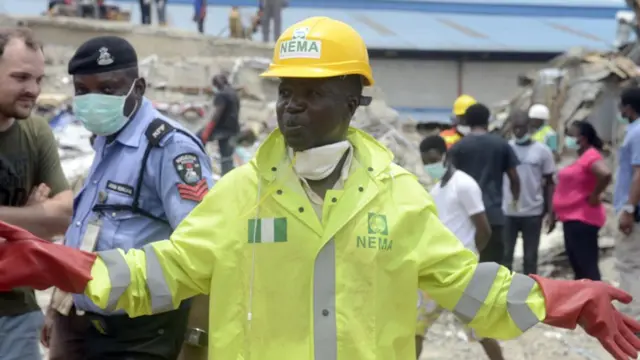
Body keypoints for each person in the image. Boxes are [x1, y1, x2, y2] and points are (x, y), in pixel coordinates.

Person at [1, 17, 640, 360]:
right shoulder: (238, 194)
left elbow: (468, 287)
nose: (292, 109)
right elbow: (161, 272)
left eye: (313, 94)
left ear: (355, 100)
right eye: (286, 93)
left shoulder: (398, 196)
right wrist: (65, 265)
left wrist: (558, 298)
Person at [41, 35, 214, 360]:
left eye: (108, 89)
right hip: (79, 325)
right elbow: (86, 232)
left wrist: (195, 341)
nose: (94, 100)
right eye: (83, 90)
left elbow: (201, 251)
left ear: (138, 87)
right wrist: (57, 307)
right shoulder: (107, 140)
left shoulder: (169, 149)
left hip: (139, 335)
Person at [0, 27, 73, 360]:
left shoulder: (37, 132)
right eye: (21, 78)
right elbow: (47, 220)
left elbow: (65, 215)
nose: (34, 90)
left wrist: (10, 230)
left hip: (18, 312)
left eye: (39, 79)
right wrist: (30, 222)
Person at [417, 135, 502, 360]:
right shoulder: (436, 191)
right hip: (436, 270)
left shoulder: (464, 185)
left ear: (445, 156)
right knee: (414, 328)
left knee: (482, 330)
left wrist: (470, 256)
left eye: (433, 160)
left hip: (461, 273)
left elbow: (483, 229)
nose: (430, 166)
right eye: (425, 162)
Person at [449, 103, 520, 265]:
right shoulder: (501, 144)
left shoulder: (458, 147)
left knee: (468, 266)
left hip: (467, 217)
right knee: (495, 268)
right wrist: (515, 201)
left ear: (466, 121)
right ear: (488, 120)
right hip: (494, 215)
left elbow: (449, 180)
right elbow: (514, 178)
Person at [553, 121, 610, 281]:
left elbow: (605, 175)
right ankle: (585, 302)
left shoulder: (590, 155)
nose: (568, 139)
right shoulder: (579, 157)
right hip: (571, 218)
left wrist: (595, 195)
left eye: (571, 135)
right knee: (579, 267)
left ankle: (598, 302)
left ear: (583, 139)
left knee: (587, 267)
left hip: (582, 218)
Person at [502, 111, 556, 275]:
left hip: (533, 212)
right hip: (508, 212)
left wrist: (551, 212)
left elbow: (550, 182)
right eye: (515, 128)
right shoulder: (505, 149)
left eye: (521, 128)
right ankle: (503, 295)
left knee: (530, 258)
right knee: (505, 258)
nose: (518, 132)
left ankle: (529, 294)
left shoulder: (543, 151)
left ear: (529, 127)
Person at [613, 87, 640, 320]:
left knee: (629, 265)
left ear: (628, 108)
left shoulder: (637, 132)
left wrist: (629, 209)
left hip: (634, 209)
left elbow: (639, 172)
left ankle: (633, 320)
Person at [199, 73, 240, 175]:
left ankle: (198, 169)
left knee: (196, 140)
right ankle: (227, 181)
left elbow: (217, 115)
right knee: (226, 158)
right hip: (233, 129)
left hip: (221, 129)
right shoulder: (233, 93)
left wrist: (207, 132)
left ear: (216, 84)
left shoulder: (221, 95)